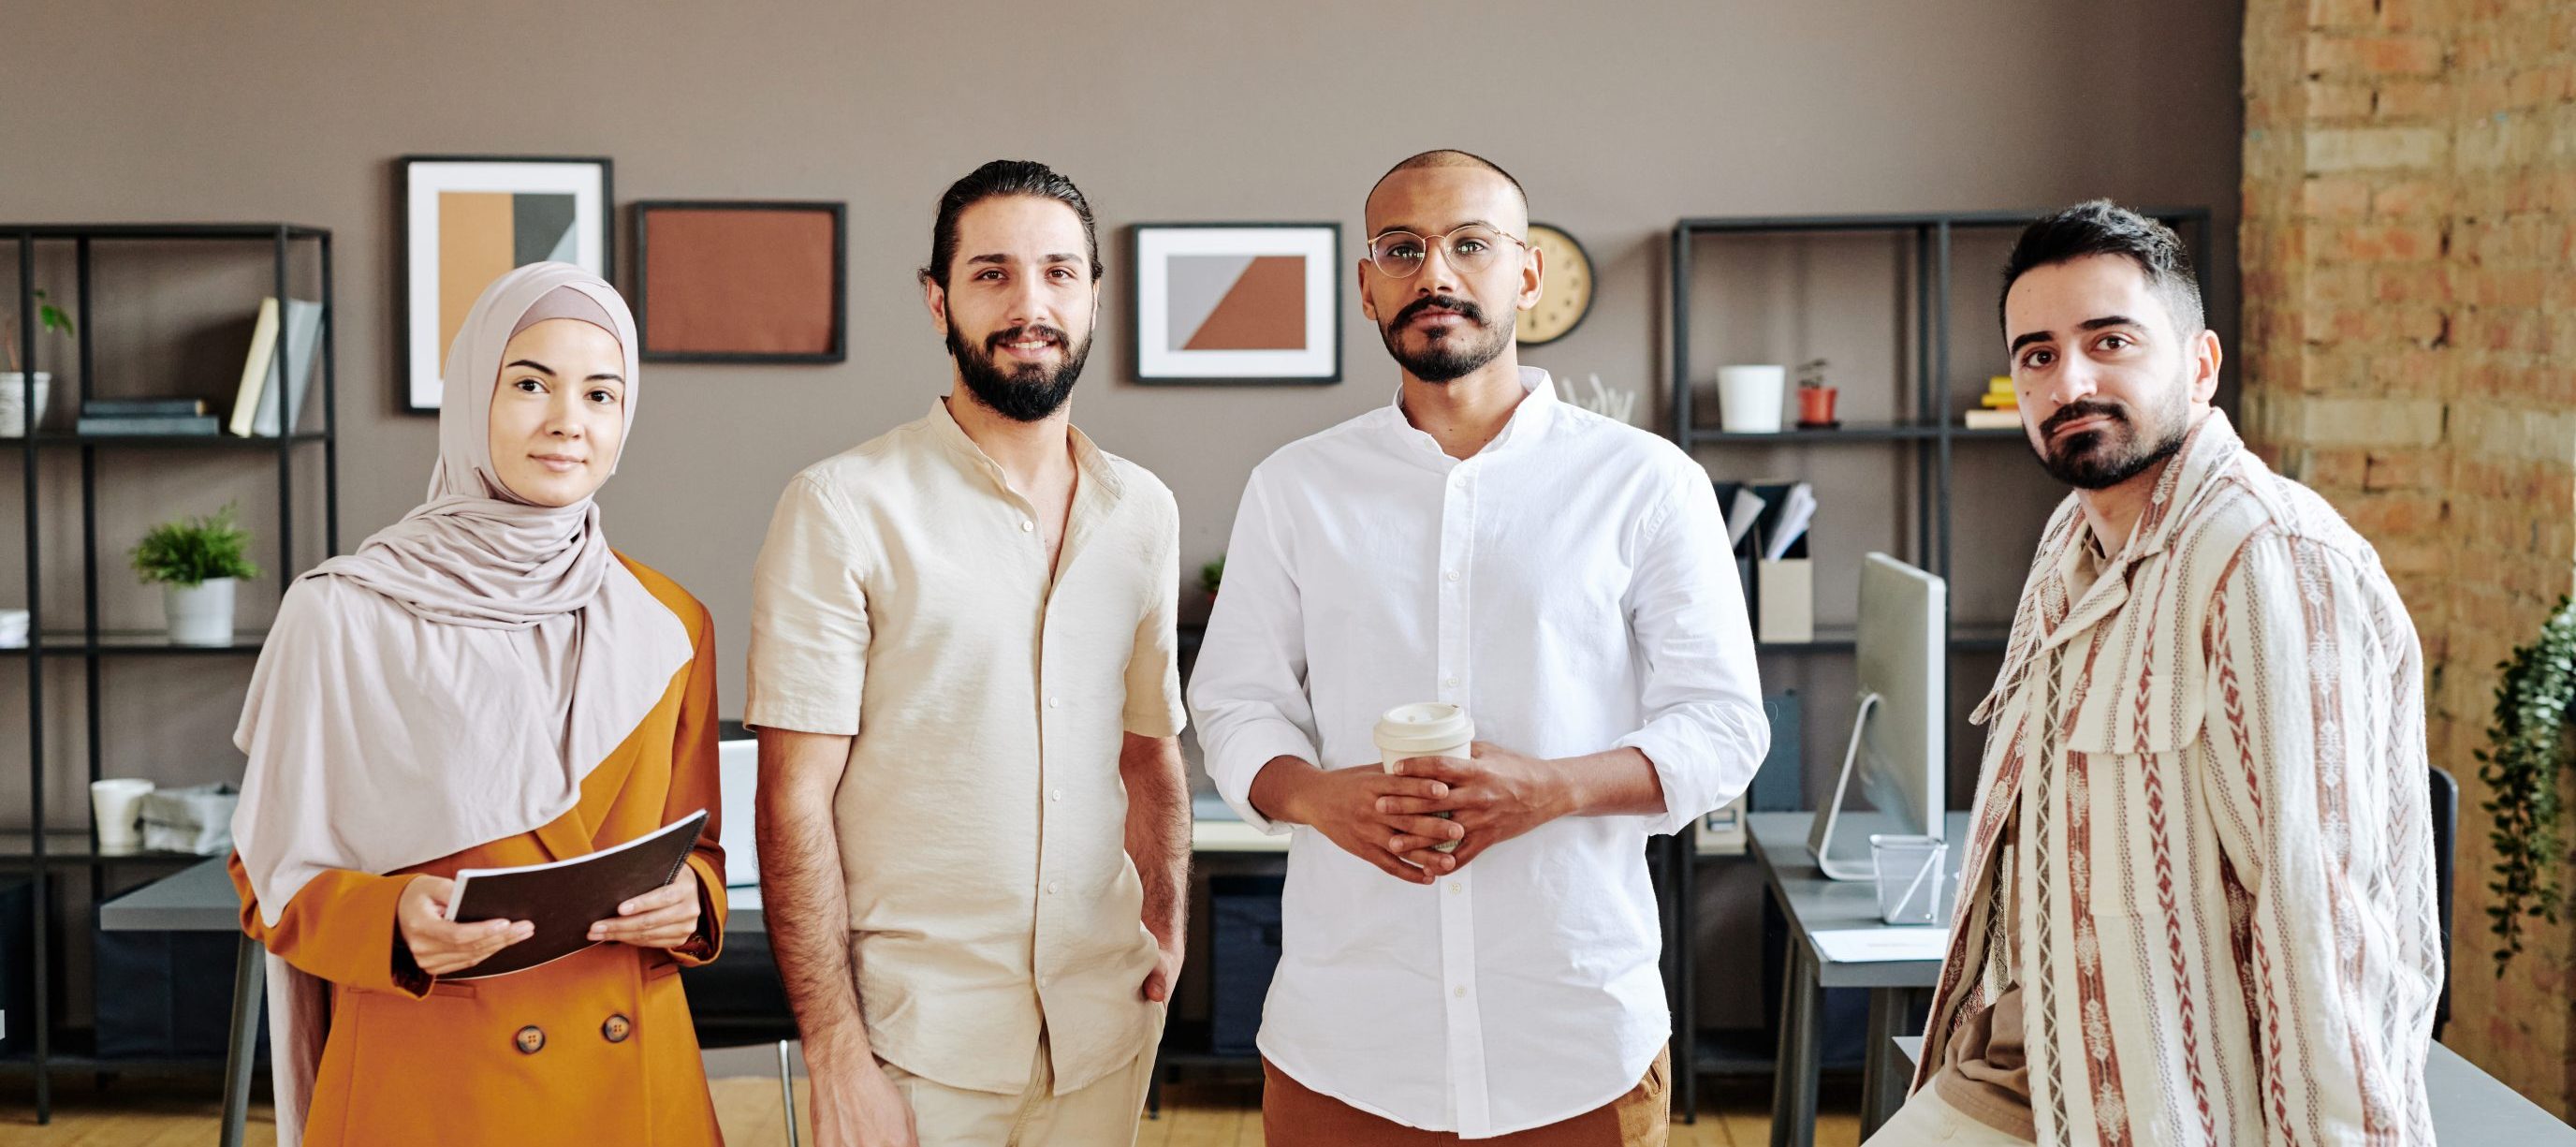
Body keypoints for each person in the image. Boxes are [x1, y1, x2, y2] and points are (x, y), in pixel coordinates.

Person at [1188, 150, 1769, 1145]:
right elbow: (1234, 702)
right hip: (1346, 1042)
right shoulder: (1296, 486)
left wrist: (1553, 788)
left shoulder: (1645, 481)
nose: (1436, 275)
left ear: (1526, 274)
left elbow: (1723, 726)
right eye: (1401, 250)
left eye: (1469, 245)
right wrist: (1318, 796)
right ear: (1366, 288)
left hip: (1575, 1038)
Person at [1868, 200, 2439, 1145]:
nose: (2070, 380)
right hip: (2037, 1061)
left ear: (2201, 363)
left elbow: (2325, 924)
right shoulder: (2071, 537)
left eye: (2109, 341)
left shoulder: (2266, 557)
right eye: (2037, 355)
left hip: (2181, 1097)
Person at [229, 262, 728, 1147]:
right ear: (470, 397)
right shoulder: (341, 611)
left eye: (602, 394)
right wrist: (391, 923)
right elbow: (270, 873)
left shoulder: (671, 621)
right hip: (437, 1078)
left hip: (638, 1085)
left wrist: (694, 903)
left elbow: (702, 849)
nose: (568, 421)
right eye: (530, 383)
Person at [748, 159, 1189, 1147]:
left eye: (1058, 273)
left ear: (1092, 296)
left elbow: (1148, 746)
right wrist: (833, 1053)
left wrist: (1166, 919)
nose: (1029, 303)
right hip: (913, 1051)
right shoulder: (840, 507)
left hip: (1103, 1034)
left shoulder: (1143, 511)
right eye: (992, 274)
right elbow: (791, 797)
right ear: (938, 300)